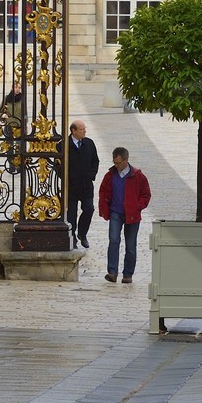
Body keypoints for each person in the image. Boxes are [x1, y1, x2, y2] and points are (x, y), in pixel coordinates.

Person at [97, 146, 151, 284]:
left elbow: (146, 194)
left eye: (119, 163)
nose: (116, 165)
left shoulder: (138, 176)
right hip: (115, 212)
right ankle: (112, 272)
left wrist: (138, 207)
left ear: (126, 160)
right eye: (114, 162)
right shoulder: (110, 175)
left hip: (132, 215)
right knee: (114, 241)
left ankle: (128, 274)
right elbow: (103, 191)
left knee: (131, 245)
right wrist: (104, 207)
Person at [64, 119, 101, 249]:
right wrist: (67, 178)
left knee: (89, 209)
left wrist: (91, 175)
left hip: (86, 185)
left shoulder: (89, 143)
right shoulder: (64, 145)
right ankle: (72, 236)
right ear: (73, 131)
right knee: (71, 214)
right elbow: (58, 165)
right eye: (81, 129)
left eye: (84, 128)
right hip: (71, 186)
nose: (84, 131)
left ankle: (82, 233)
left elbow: (95, 161)